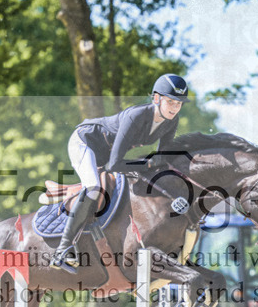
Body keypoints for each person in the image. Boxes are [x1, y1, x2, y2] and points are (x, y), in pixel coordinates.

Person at [50, 73, 190, 272]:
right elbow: (116, 164)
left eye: (179, 104)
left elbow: (161, 159)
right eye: (170, 102)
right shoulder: (136, 116)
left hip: (104, 154)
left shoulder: (170, 122)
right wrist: (148, 164)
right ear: (157, 98)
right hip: (84, 141)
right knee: (93, 188)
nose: (175, 108)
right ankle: (63, 249)